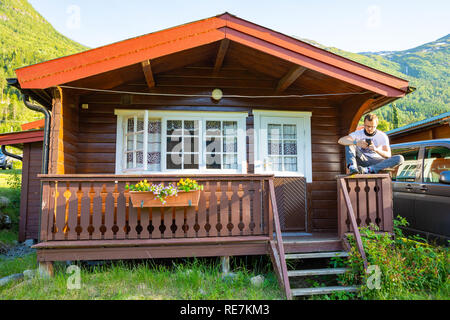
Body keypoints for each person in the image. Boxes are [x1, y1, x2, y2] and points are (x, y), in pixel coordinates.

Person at [338, 113, 404, 174]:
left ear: (376, 125)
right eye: (367, 126)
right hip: (362, 159)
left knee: (400, 158)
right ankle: (352, 167)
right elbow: (340, 140)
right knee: (349, 143)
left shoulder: (382, 136)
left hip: (377, 161)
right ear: (364, 124)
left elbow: (388, 155)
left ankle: (369, 169)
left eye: (372, 126)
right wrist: (356, 143)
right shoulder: (358, 133)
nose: (369, 129)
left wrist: (376, 149)